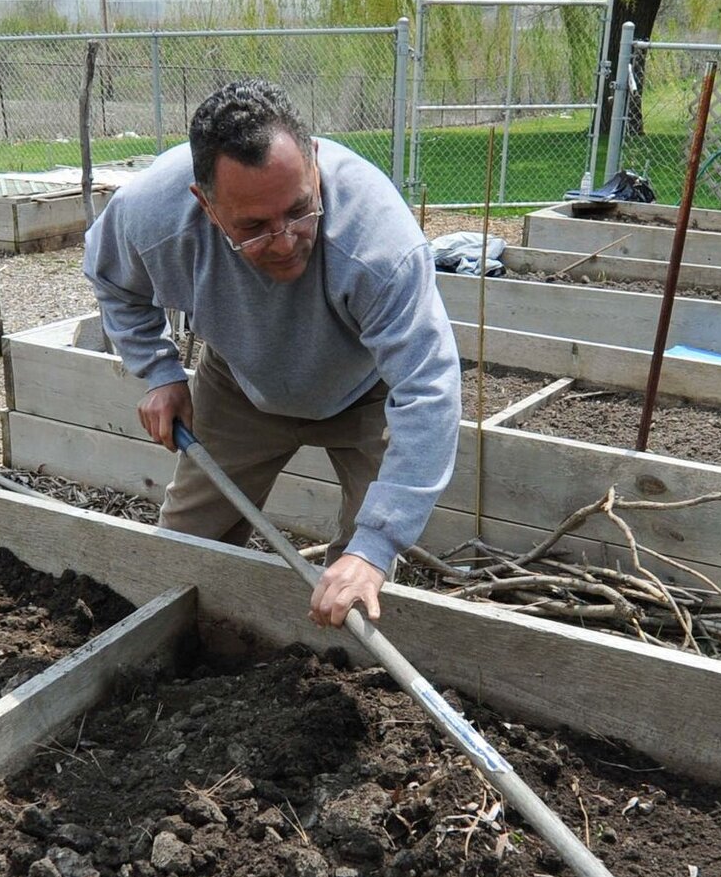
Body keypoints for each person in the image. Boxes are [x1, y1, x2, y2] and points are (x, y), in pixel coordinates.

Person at [82, 80, 460, 629]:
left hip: (366, 389)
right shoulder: (152, 214)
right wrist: (160, 371)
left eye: (299, 211)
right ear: (205, 204)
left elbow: (429, 389)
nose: (284, 241)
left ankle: (339, 668)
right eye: (254, 228)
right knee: (183, 552)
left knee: (360, 586)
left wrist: (375, 544)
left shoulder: (377, 243)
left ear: (311, 162)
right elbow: (111, 278)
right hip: (240, 384)